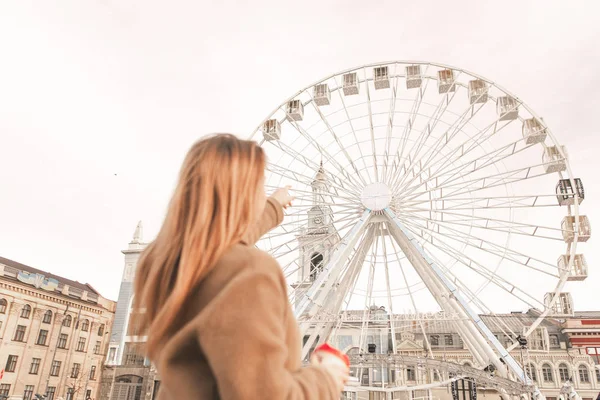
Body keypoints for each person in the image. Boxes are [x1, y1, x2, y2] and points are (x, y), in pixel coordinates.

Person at [132, 134, 349, 399]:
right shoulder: (251, 271)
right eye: (259, 187)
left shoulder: (165, 264)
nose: (263, 194)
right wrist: (326, 378)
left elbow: (220, 243)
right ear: (244, 197)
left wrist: (273, 208)